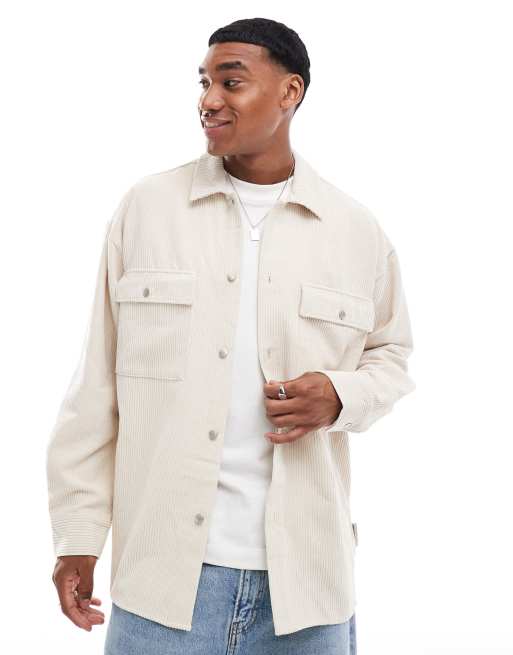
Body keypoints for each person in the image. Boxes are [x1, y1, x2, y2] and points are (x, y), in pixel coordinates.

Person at [46, 17, 415, 655]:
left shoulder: (355, 230)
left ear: (290, 92)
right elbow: (96, 385)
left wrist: (339, 394)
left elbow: (392, 356)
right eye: (204, 83)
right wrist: (78, 534)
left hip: (307, 589)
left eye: (231, 82)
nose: (209, 100)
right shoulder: (147, 210)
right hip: (162, 582)